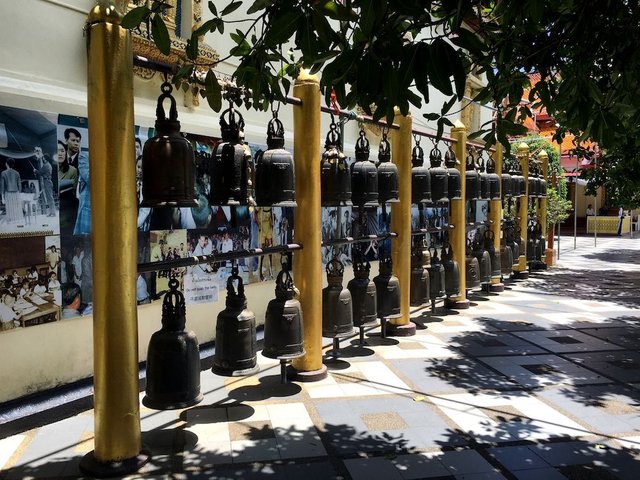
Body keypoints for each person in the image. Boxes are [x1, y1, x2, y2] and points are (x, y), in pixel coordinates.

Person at [63, 128, 91, 235]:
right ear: (66, 140)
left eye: (78, 141)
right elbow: (89, 178)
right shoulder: (85, 156)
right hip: (72, 202)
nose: (76, 143)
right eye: (73, 140)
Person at [33, 147, 56, 217]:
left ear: (45, 159)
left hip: (47, 182)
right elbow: (42, 173)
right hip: (48, 182)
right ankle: (51, 212)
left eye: (43, 158)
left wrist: (35, 171)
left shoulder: (46, 166)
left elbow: (40, 172)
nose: (42, 159)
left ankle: (53, 213)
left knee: (50, 198)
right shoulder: (48, 165)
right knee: (49, 198)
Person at [1, 158, 24, 223]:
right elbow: (19, 185)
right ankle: (17, 221)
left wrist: (2, 196)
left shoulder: (3, 173)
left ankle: (11, 222)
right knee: (16, 208)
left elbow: (2, 185)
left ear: (6, 164)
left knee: (10, 208)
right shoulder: (17, 173)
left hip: (8, 193)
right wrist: (19, 193)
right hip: (16, 192)